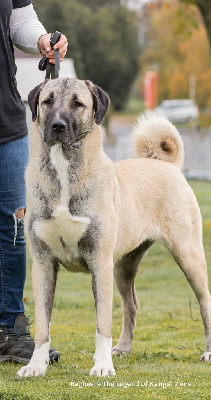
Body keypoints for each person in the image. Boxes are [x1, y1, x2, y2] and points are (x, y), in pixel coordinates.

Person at [0, 0, 68, 364]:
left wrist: (42, 39)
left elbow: (18, 19)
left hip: (5, 121)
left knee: (12, 228)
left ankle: (11, 330)